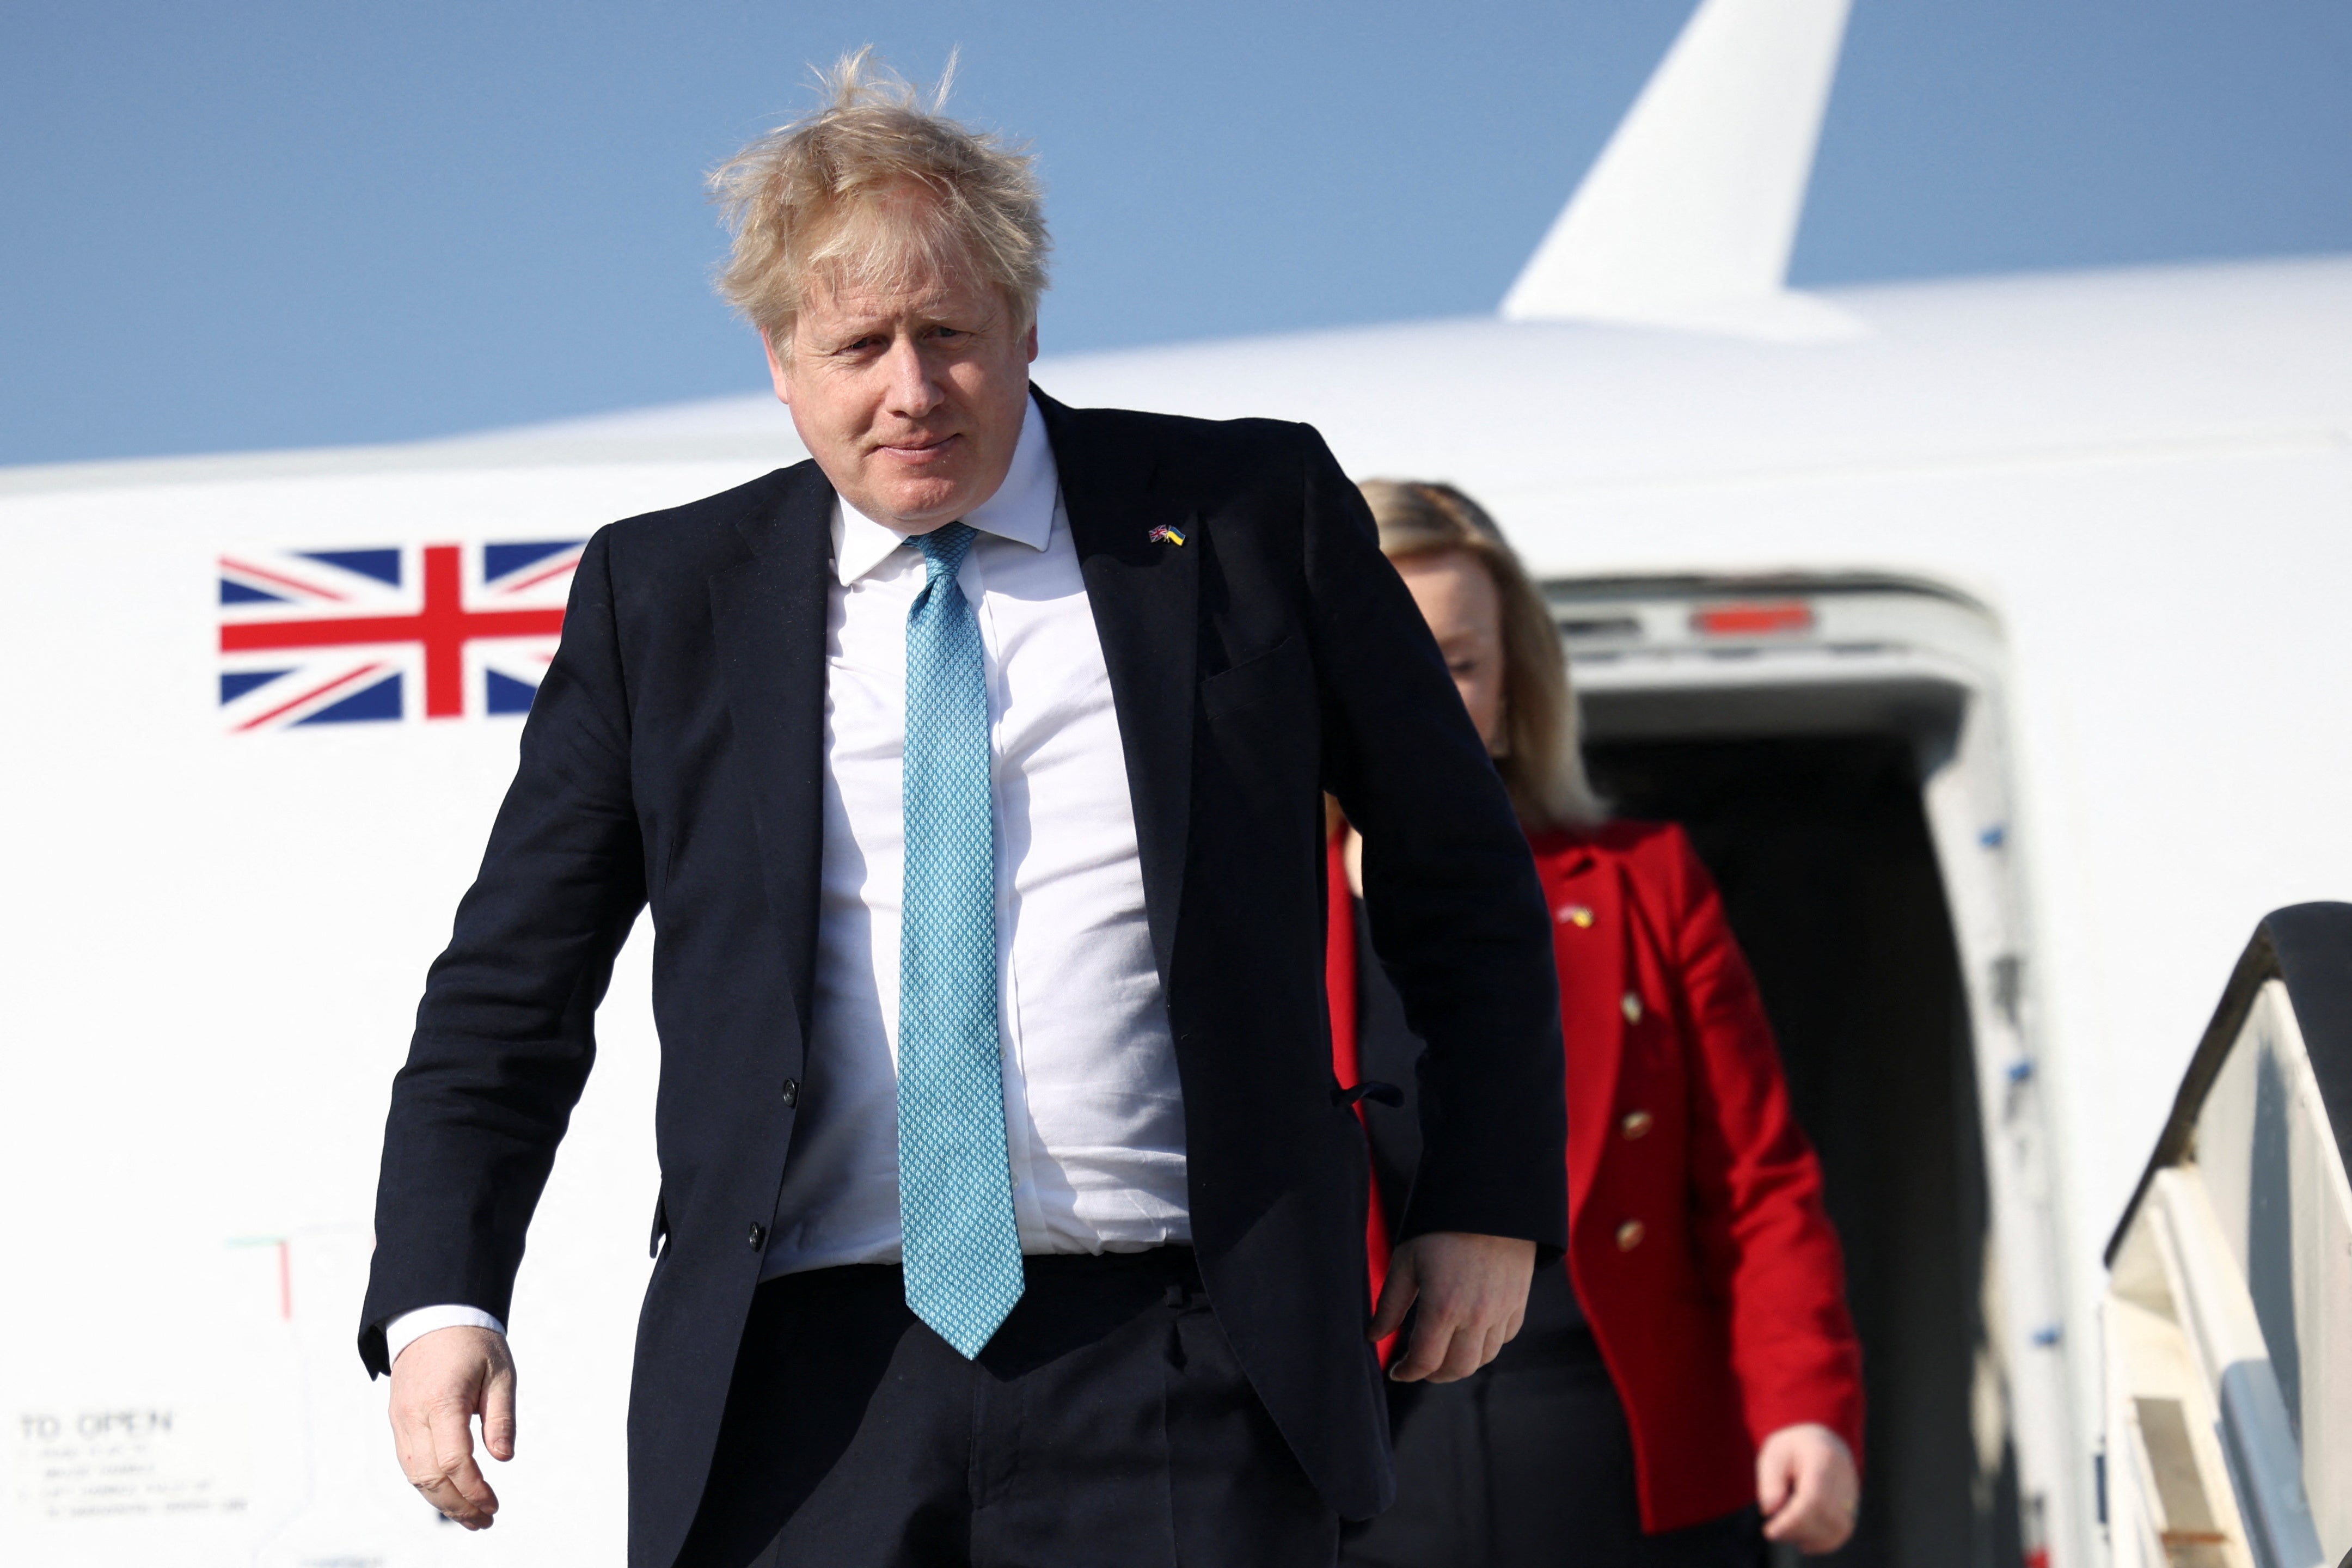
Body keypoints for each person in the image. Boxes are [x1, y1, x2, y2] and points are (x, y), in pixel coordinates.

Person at [356, 59, 1569, 1568]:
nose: (911, 390)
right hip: (805, 1390)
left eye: (951, 336)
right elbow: (510, 989)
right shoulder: (661, 598)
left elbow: (1464, 877)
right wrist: (441, 1298)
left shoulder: (1252, 515)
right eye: (859, 344)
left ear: (1030, 327)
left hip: (1190, 1358)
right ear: (782, 367)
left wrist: (1487, 1199)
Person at [1328, 481, 1865, 1568]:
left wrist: (1806, 1403)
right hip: (1365, 1473)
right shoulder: (1239, 913)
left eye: (1462, 661)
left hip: (1617, 1455)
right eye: (1382, 652)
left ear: (1514, 684)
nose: (1423, 693)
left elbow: (1761, 1184)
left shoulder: (1643, 884)